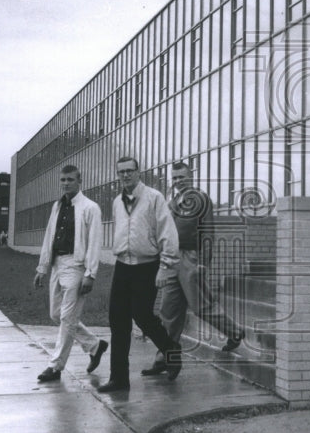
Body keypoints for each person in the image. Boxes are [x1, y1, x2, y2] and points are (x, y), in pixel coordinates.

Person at [142, 161, 245, 377]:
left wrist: (203, 262)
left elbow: (207, 231)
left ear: (191, 177)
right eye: (175, 178)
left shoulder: (201, 199)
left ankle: (235, 332)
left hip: (191, 257)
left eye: (182, 177)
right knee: (169, 311)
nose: (178, 181)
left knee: (201, 307)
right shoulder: (172, 202)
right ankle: (164, 357)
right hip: (172, 257)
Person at [98, 156, 181, 393]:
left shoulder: (154, 198)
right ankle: (119, 379)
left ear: (138, 172)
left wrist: (165, 267)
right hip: (123, 265)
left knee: (143, 316)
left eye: (129, 171)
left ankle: (171, 352)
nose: (125, 175)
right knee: (118, 321)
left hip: (148, 265)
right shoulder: (116, 202)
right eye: (121, 172)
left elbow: (168, 233)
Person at [33, 165, 108, 382]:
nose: (65, 183)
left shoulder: (90, 207)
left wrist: (90, 273)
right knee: (56, 315)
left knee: (67, 317)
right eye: (63, 180)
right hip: (57, 264)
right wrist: (42, 268)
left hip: (76, 266)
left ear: (79, 180)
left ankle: (55, 366)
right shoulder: (57, 206)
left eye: (70, 179)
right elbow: (49, 236)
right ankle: (94, 345)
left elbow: (95, 242)